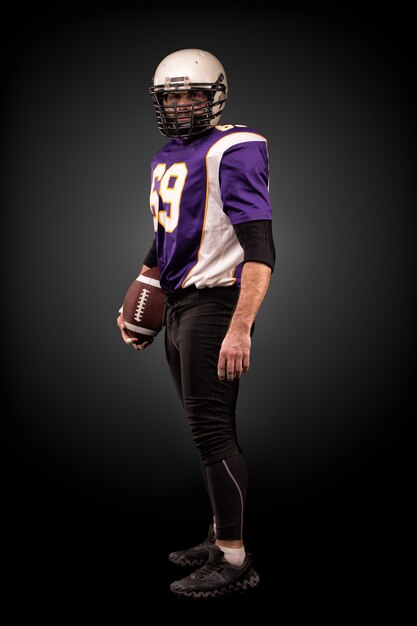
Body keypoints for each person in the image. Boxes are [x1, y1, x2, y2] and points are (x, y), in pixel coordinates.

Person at [117, 48, 275, 599]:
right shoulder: (168, 155)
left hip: (215, 305)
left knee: (212, 433)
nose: (183, 105)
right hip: (182, 302)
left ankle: (234, 559)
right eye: (173, 96)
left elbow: (260, 248)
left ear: (216, 95)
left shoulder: (235, 147)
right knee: (201, 430)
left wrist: (241, 325)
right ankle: (218, 536)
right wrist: (140, 286)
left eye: (193, 95)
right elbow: (167, 237)